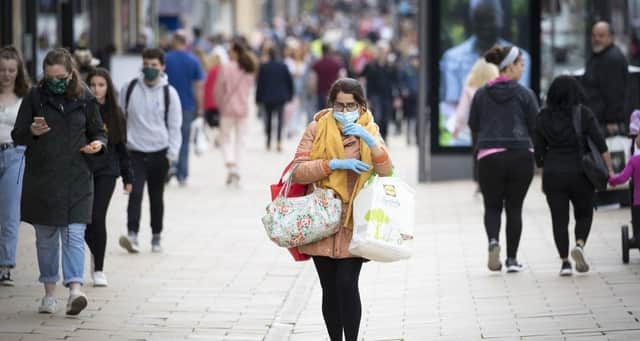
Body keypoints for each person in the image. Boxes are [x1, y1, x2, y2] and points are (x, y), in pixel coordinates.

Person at [291, 78, 393, 341]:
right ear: (331, 104)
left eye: (351, 105)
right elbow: (298, 172)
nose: (345, 111)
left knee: (347, 284)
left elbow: (387, 171)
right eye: (340, 105)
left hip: (354, 219)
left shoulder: (370, 128)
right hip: (322, 217)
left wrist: (370, 142)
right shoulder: (316, 128)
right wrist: (332, 164)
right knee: (329, 287)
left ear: (361, 106)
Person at [11, 48, 107, 315]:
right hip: (43, 178)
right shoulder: (34, 96)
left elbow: (98, 131)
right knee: (47, 238)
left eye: (61, 77)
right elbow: (18, 134)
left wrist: (98, 144)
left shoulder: (86, 97)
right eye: (51, 76)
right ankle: (49, 293)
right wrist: (32, 130)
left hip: (77, 176)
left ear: (71, 73)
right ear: (44, 74)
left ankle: (75, 290)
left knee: (75, 234)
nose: (56, 81)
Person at [468, 45, 539, 273]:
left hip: (489, 156)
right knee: (515, 208)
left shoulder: (481, 94)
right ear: (509, 66)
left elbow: (474, 126)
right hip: (520, 155)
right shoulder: (525, 94)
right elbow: (535, 126)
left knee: (492, 206)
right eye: (521, 64)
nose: (522, 69)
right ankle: (512, 259)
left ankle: (492, 242)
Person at [535, 75, 614, 275]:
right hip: (581, 173)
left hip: (553, 173)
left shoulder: (542, 116)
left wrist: (544, 176)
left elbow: (539, 152)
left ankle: (564, 263)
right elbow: (601, 144)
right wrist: (610, 170)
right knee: (584, 213)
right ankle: (579, 245)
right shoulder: (584, 114)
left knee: (559, 219)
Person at [118, 48, 182, 254]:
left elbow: (175, 126)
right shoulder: (129, 88)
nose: (149, 68)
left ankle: (156, 235)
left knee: (156, 195)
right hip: (134, 151)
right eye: (146, 64)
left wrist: (172, 155)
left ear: (162, 67)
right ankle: (132, 235)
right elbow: (120, 118)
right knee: (134, 193)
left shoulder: (169, 93)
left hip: (159, 152)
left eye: (154, 65)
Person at [85, 68, 134, 286]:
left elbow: (122, 147)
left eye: (101, 85)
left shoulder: (116, 113)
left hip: (107, 170)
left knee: (97, 217)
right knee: (83, 221)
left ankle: (99, 269)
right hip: (83, 169)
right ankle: (95, 251)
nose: (96, 89)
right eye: (93, 85)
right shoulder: (81, 109)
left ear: (108, 87)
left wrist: (127, 177)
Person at [440, 0, 531, 110]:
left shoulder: (520, 58)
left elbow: (521, 104)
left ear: (501, 18)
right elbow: (451, 107)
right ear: (471, 20)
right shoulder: (452, 58)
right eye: (480, 19)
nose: (485, 25)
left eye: (490, 18)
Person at [0, 46, 30, 286]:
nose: (6, 74)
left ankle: (5, 264)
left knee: (10, 212)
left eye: (11, 70)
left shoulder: (25, 97)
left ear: (18, 72)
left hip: (14, 155)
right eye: (2, 70)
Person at [214, 41, 257, 187]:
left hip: (227, 108)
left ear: (235, 52)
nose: (228, 53)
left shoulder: (226, 68)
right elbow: (250, 90)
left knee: (225, 138)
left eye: (230, 51)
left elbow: (219, 90)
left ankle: (230, 164)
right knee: (240, 140)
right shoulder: (249, 68)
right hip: (243, 109)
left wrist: (219, 104)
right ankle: (237, 167)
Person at [165, 32, 204, 186]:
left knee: (167, 139)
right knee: (184, 140)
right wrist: (200, 107)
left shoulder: (166, 59)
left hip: (167, 106)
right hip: (187, 106)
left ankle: (169, 167)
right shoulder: (193, 60)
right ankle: (182, 175)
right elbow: (198, 86)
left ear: (175, 42)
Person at [581, 21, 629, 136]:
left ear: (611, 37)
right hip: (596, 119)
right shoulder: (599, 55)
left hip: (605, 124)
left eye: (601, 35)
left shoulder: (612, 59)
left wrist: (612, 120)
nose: (596, 39)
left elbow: (615, 92)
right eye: (594, 35)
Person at [359, 43, 401, 140]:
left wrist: (398, 97)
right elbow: (361, 76)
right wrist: (364, 97)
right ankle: (377, 136)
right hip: (374, 95)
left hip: (387, 95)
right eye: (380, 51)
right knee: (377, 116)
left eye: (384, 51)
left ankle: (384, 137)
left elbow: (396, 82)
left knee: (386, 117)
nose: (382, 53)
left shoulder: (391, 66)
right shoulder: (370, 65)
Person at [256, 46, 294, 152]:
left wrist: (258, 98)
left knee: (268, 119)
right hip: (280, 97)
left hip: (267, 97)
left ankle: (268, 141)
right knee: (280, 120)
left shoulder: (264, 67)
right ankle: (279, 141)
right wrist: (290, 95)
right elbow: (289, 82)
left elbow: (260, 84)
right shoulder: (283, 66)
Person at [312, 44, 345, 111]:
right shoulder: (337, 63)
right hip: (334, 93)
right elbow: (342, 78)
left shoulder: (317, 64)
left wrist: (313, 92)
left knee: (321, 114)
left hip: (321, 92)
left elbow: (313, 80)